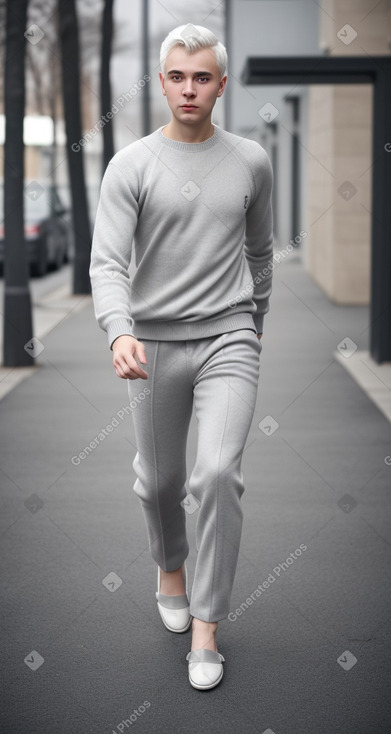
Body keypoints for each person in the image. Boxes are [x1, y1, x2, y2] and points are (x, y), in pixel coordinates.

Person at [89, 23, 274, 691]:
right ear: (162, 81)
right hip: (153, 342)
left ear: (221, 84)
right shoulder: (132, 164)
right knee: (162, 484)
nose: (189, 87)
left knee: (217, 472)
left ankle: (206, 626)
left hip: (228, 335)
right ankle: (170, 565)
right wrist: (118, 331)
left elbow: (259, 255)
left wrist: (255, 325)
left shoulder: (251, 159)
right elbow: (107, 263)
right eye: (177, 75)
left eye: (202, 77)